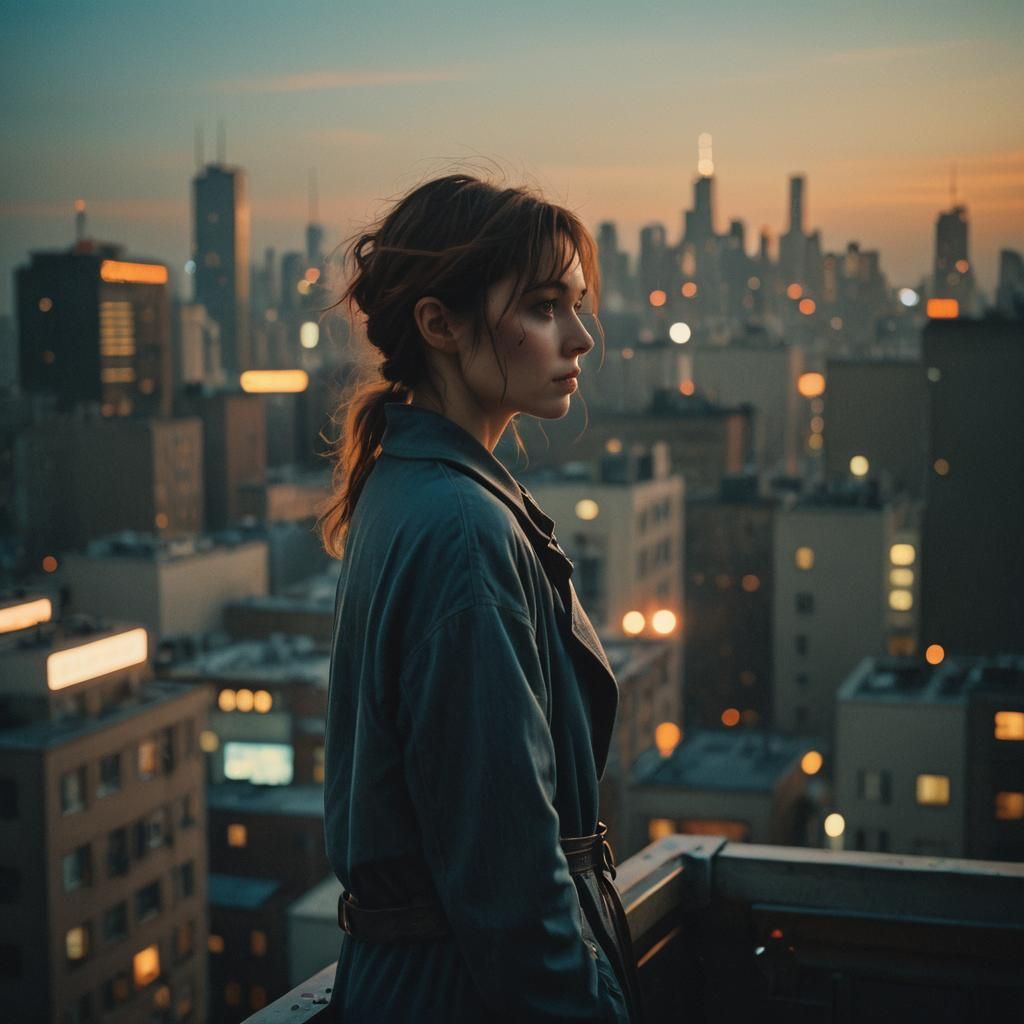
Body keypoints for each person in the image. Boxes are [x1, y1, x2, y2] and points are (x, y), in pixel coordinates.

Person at [317, 173, 642, 1023]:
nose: (580, 338)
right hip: (464, 992)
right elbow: (510, 873)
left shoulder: (410, 486)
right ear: (440, 324)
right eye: (543, 307)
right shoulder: (462, 527)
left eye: (577, 306)